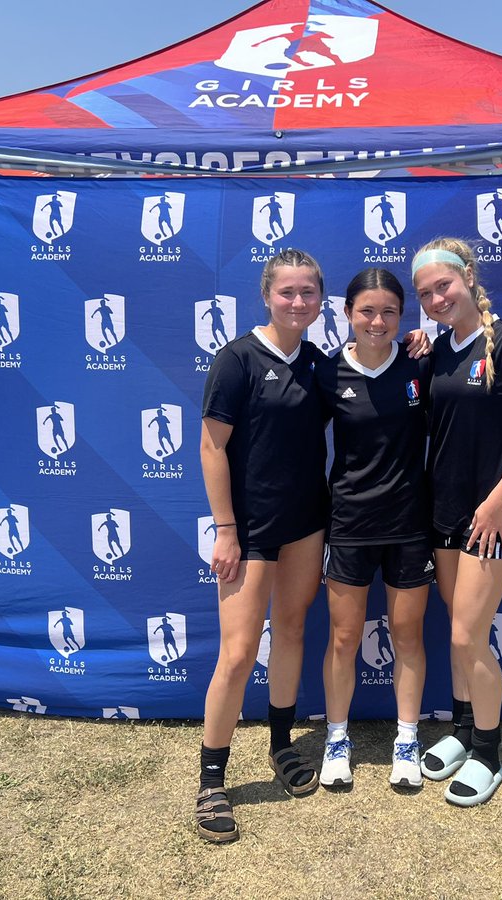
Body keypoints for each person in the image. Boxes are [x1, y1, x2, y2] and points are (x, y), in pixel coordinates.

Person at [410, 237, 502, 807]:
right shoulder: (438, 350)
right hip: (442, 511)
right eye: (425, 293)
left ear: (469, 276)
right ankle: (464, 728)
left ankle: (489, 753)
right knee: (456, 629)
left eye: (443, 285)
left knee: (468, 635)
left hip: (491, 518)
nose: (436, 298)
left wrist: (495, 504)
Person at [196, 249, 331, 844]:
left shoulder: (321, 364)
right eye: (287, 292)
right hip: (247, 531)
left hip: (306, 522)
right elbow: (210, 447)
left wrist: (415, 351)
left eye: (308, 292)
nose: (298, 302)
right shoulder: (237, 360)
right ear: (266, 295)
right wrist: (225, 528)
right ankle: (211, 780)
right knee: (238, 651)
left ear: (320, 299)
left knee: (294, 629)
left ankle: (281, 744)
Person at [315, 268, 432, 790]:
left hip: (410, 524)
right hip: (350, 524)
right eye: (367, 311)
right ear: (347, 315)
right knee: (343, 637)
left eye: (389, 311)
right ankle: (336, 737)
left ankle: (406, 739)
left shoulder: (419, 364)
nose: (378, 321)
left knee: (407, 635)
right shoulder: (326, 372)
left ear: (402, 316)